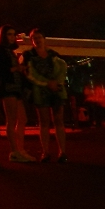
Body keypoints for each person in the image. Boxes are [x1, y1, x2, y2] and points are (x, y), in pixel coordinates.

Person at [27, 30, 69, 163]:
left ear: (44, 39)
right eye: (35, 38)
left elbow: (63, 68)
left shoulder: (54, 55)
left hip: (56, 90)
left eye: (40, 37)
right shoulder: (29, 56)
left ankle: (62, 151)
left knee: (59, 121)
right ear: (32, 40)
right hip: (41, 91)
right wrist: (47, 83)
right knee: (44, 122)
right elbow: (30, 74)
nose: (38, 40)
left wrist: (57, 82)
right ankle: (45, 152)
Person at [0, 25, 34, 162]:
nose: (12, 37)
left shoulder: (8, 51)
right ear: (4, 36)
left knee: (22, 119)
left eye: (13, 34)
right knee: (12, 120)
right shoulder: (0, 51)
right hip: (8, 86)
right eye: (9, 34)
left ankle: (19, 149)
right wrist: (17, 68)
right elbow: (1, 71)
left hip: (15, 87)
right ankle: (15, 150)